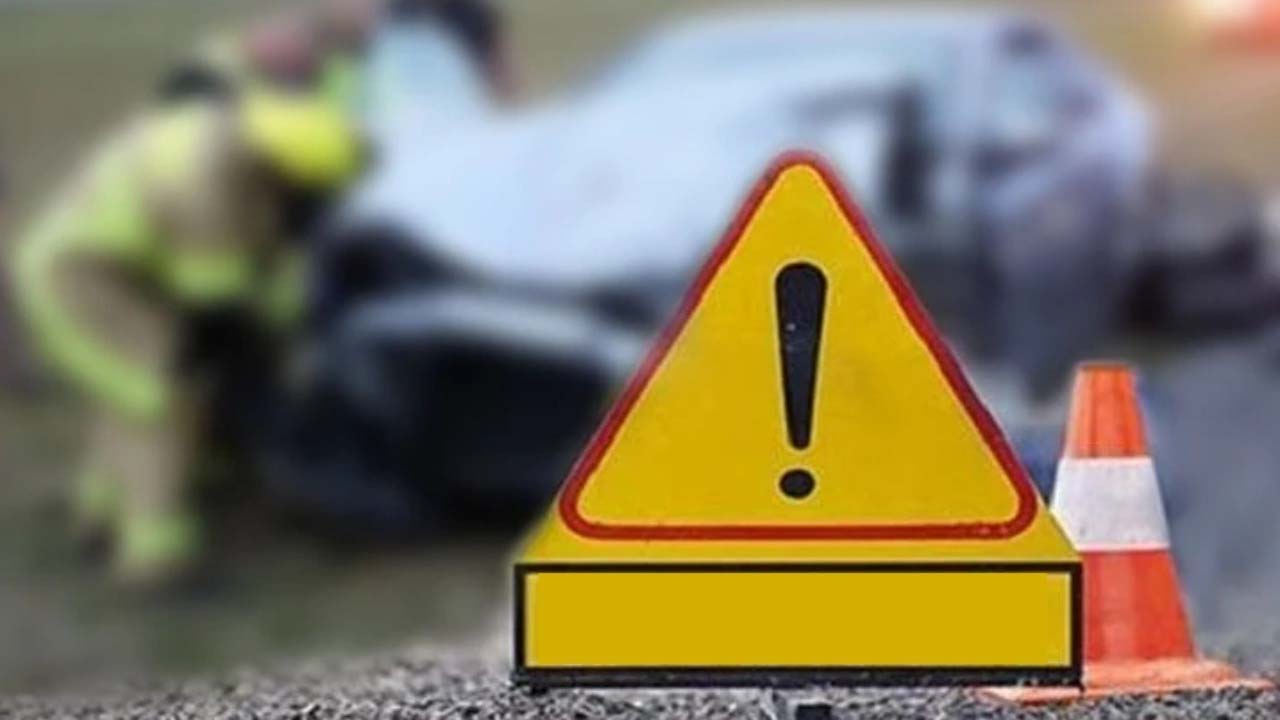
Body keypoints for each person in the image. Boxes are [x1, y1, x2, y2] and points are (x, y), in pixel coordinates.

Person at [12, 50, 365, 584]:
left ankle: (98, 513)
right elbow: (220, 315)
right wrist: (271, 411)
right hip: (80, 278)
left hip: (116, 267)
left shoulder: (234, 137)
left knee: (127, 393)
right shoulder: (206, 188)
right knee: (165, 398)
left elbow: (255, 274)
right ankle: (156, 556)